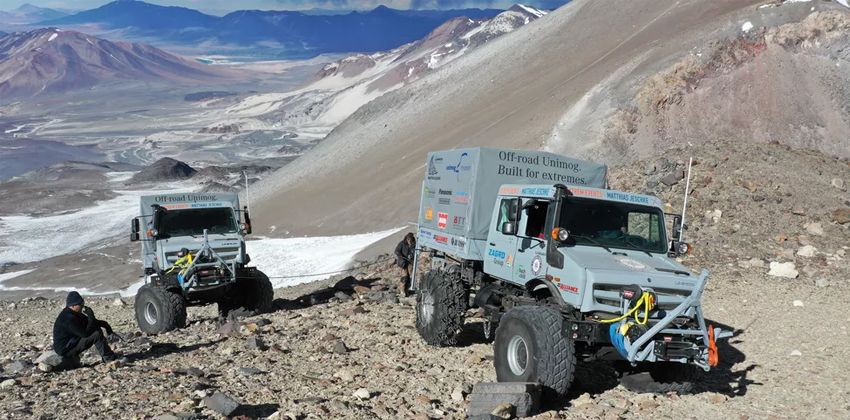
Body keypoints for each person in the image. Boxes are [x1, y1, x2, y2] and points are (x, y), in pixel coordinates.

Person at [52, 291, 121, 366]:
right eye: (80, 304)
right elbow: (85, 334)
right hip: (66, 350)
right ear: (73, 305)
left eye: (82, 304)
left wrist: (106, 326)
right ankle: (109, 359)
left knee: (95, 329)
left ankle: (108, 356)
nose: (82, 306)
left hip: (71, 344)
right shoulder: (68, 319)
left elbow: (93, 323)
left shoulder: (74, 313)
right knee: (96, 334)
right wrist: (91, 316)